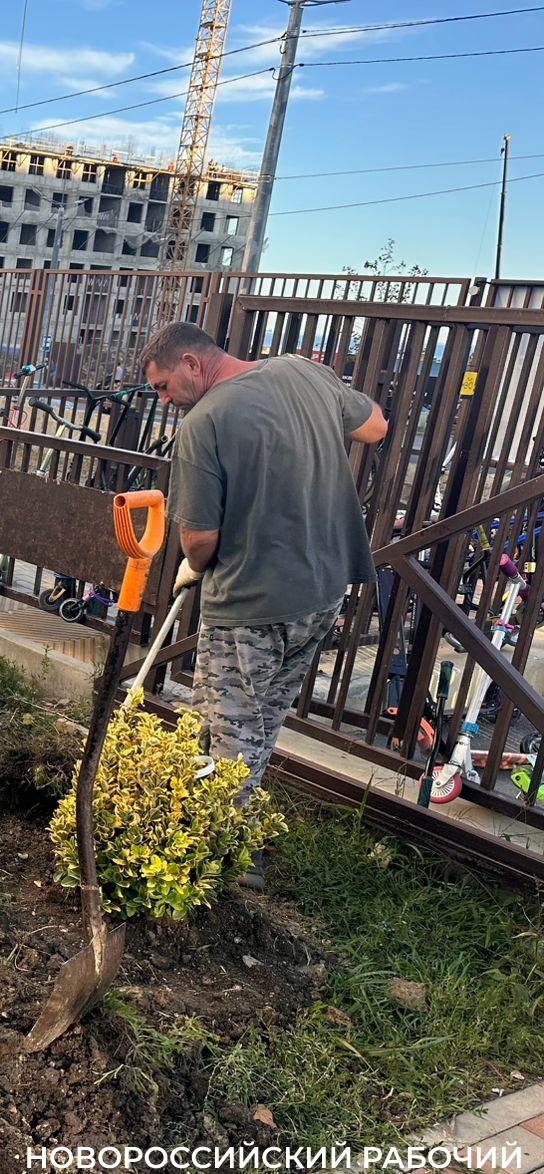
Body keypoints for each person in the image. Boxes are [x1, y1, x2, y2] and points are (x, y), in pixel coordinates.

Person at [140, 322, 388, 885]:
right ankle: (202, 820)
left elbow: (199, 539)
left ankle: (224, 854)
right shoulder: (302, 371)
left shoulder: (203, 424)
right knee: (262, 716)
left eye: (163, 386)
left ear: (192, 363)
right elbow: (375, 425)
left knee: (231, 725)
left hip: (250, 602)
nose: (164, 400)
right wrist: (319, 398)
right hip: (320, 593)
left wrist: (192, 566)